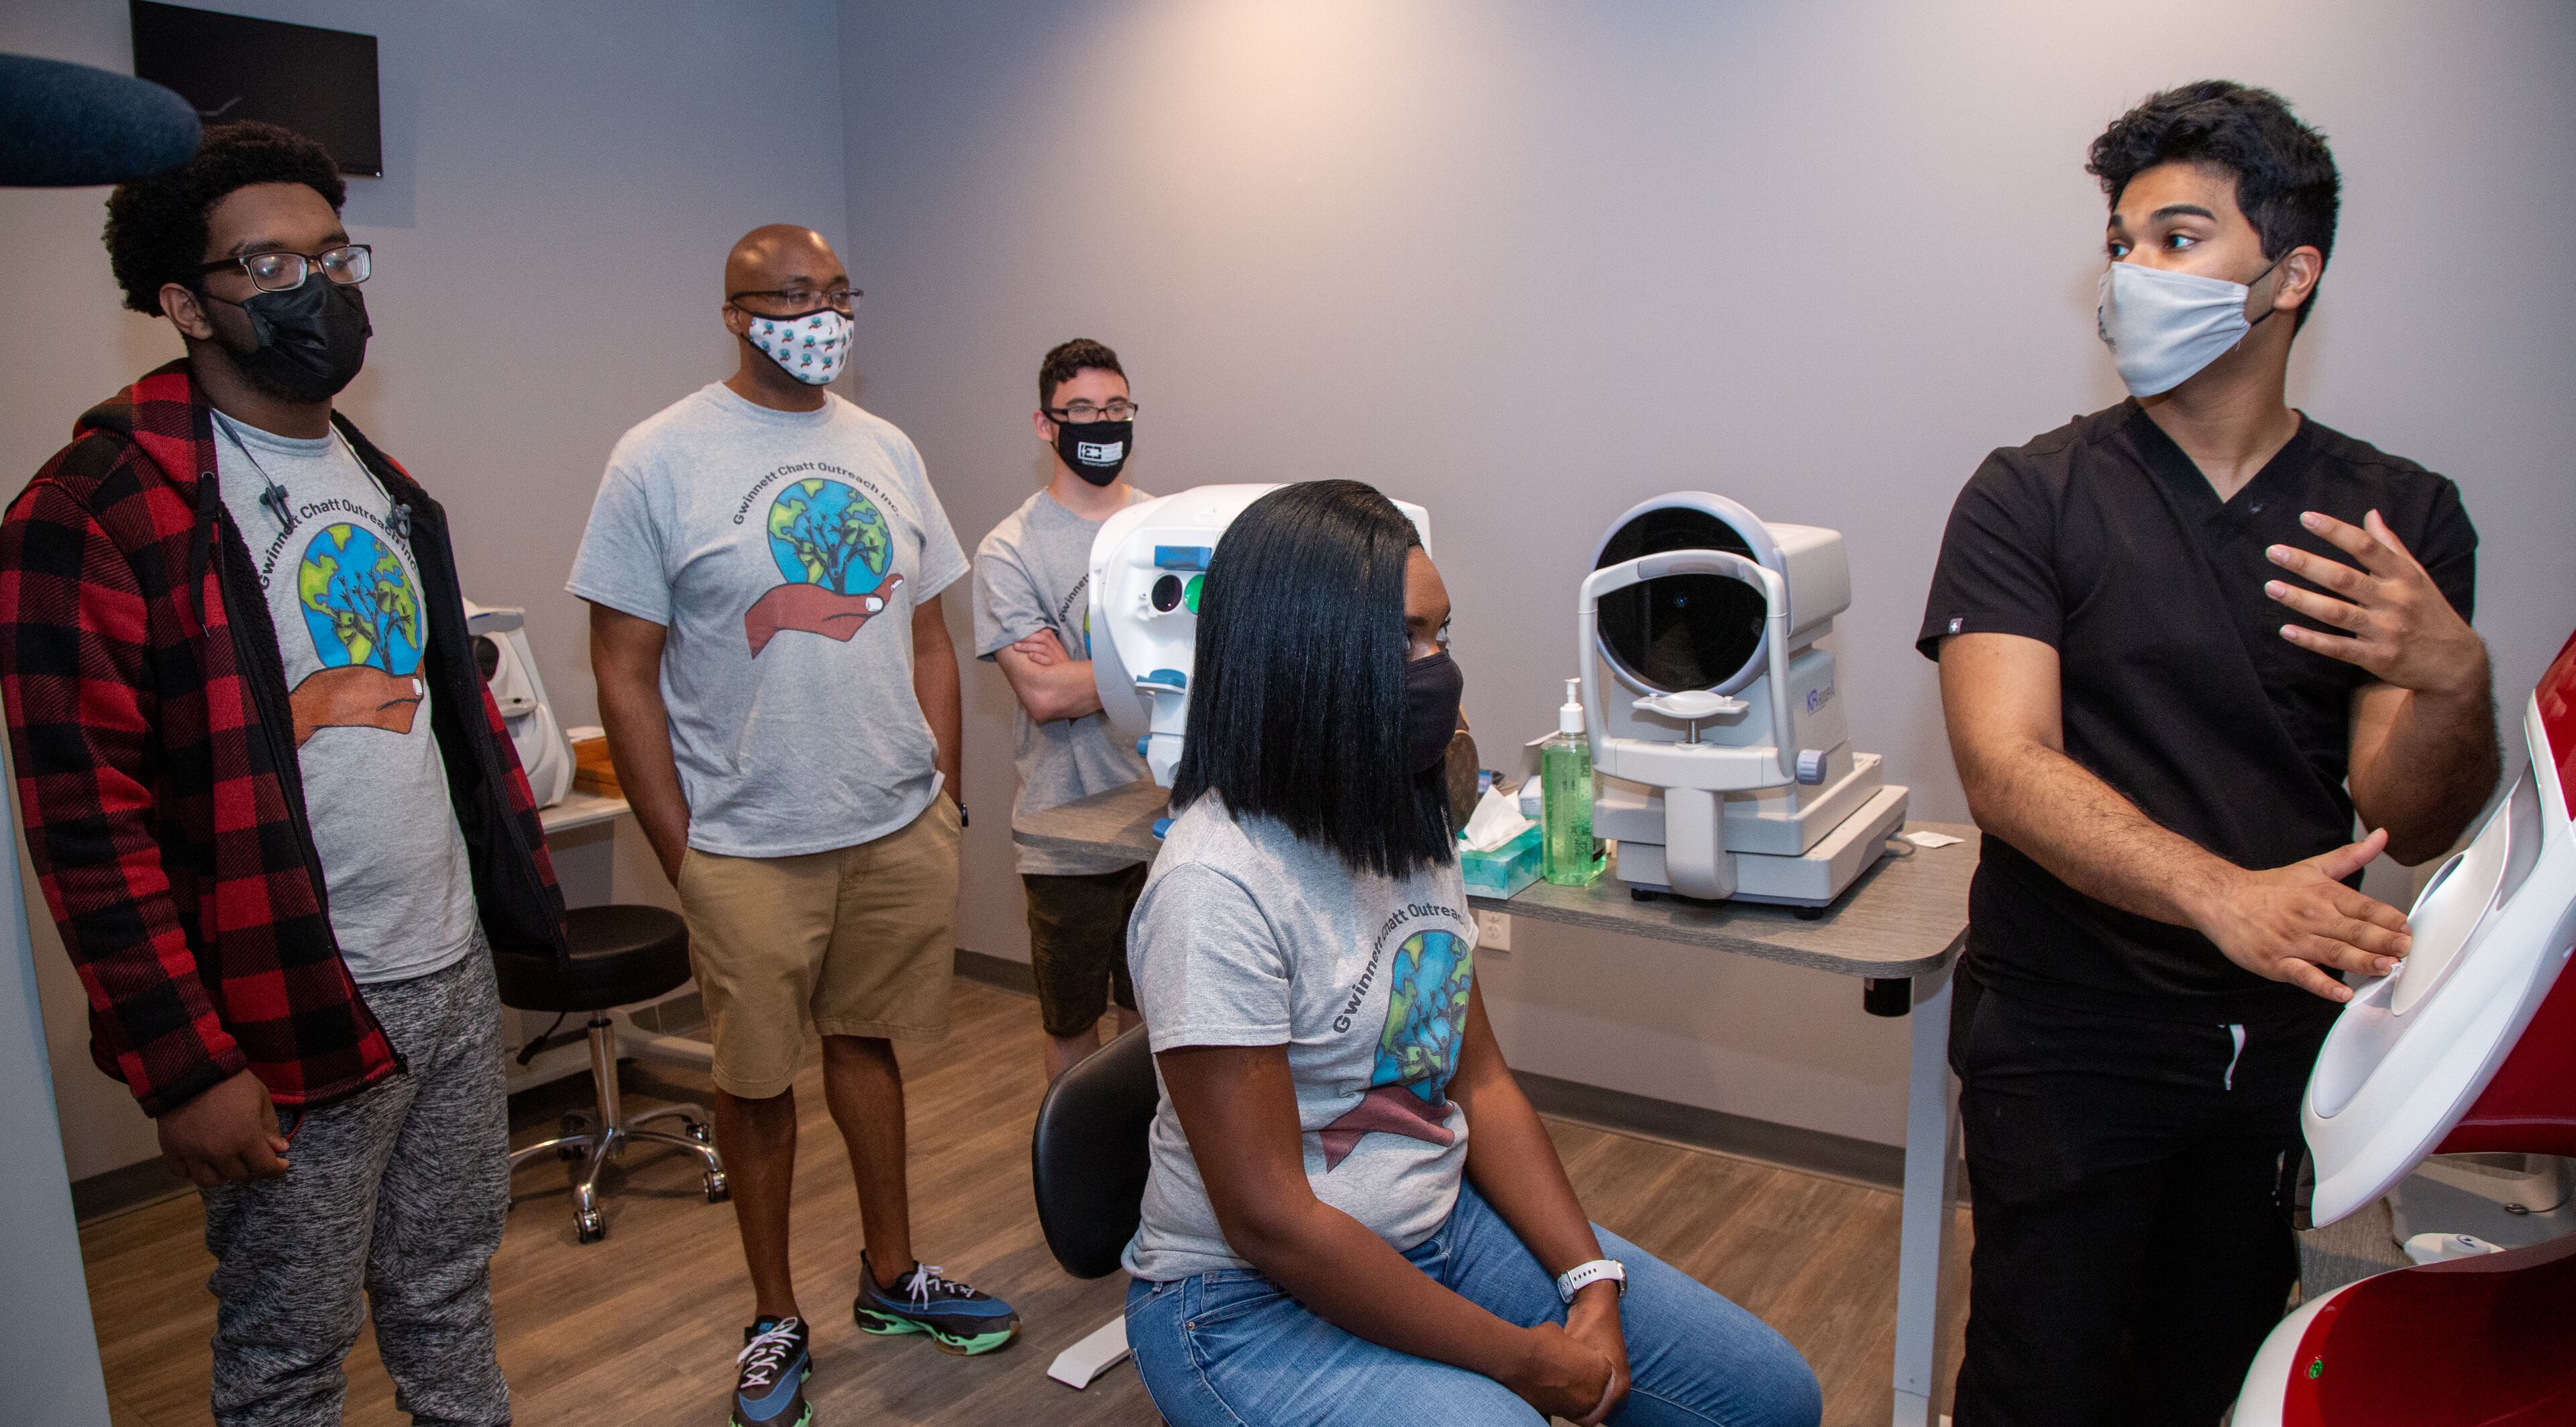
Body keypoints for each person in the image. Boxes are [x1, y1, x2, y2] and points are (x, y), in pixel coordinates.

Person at [1921, 82, 2496, 1424]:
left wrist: (2455, 680)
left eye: (2177, 238)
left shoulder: (2395, 517)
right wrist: (2224, 893)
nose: (2133, 272)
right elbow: (2005, 765)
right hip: (2065, 1030)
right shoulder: (2032, 495)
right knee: (2038, 1375)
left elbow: (2407, 817)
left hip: (2270, 1044)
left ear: (2289, 274)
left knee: (2215, 1367)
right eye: (2122, 243)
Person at [0, 121, 568, 1426]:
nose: (321, 287)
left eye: (335, 253)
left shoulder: (385, 486)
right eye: (269, 262)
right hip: (286, 999)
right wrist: (183, 1063)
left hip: (444, 970)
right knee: (287, 1353)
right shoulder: (90, 509)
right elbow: (87, 824)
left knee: (445, 1290)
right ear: (186, 299)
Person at [1120, 480, 1823, 1427]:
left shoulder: (1402, 824)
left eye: (1442, 634)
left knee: (1770, 1395)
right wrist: (1526, 1362)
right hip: (1243, 1303)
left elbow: (1478, 1081)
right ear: (1310, 658)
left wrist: (1591, 1281)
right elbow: (1273, 1222)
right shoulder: (1217, 884)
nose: (1438, 666)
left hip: (1436, 1225)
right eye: (1408, 637)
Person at [570, 223, 1018, 1427]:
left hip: (889, 822)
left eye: (836, 292)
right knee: (756, 1082)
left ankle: (891, 1274)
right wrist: (683, 848)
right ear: (733, 311)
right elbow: (622, 666)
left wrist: (943, 789)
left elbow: (930, 630)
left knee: (868, 1047)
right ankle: (774, 1315)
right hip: (743, 841)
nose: (819, 315)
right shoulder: (658, 458)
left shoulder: (885, 446)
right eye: (790, 295)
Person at [972, 338, 1152, 1082]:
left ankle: (1160, 1179)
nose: (1102, 424)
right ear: (1047, 425)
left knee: (1159, 1018)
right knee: (1073, 1029)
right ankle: (1086, 1185)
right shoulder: (1009, 551)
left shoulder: (1161, 529)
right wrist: (1158, 667)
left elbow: (1210, 662)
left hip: (1165, 818)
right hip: (1065, 830)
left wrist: (1086, 671)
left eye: (1116, 409)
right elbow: (1045, 696)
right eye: (1082, 410)